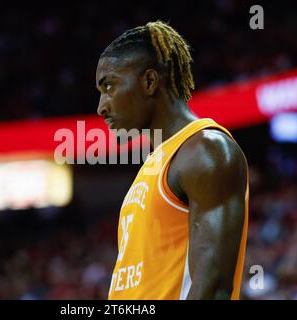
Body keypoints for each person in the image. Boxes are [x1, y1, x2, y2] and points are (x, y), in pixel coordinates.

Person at [95, 21, 249, 299]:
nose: (101, 106)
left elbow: (214, 289)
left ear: (150, 82)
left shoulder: (205, 150)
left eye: (109, 86)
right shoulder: (154, 164)